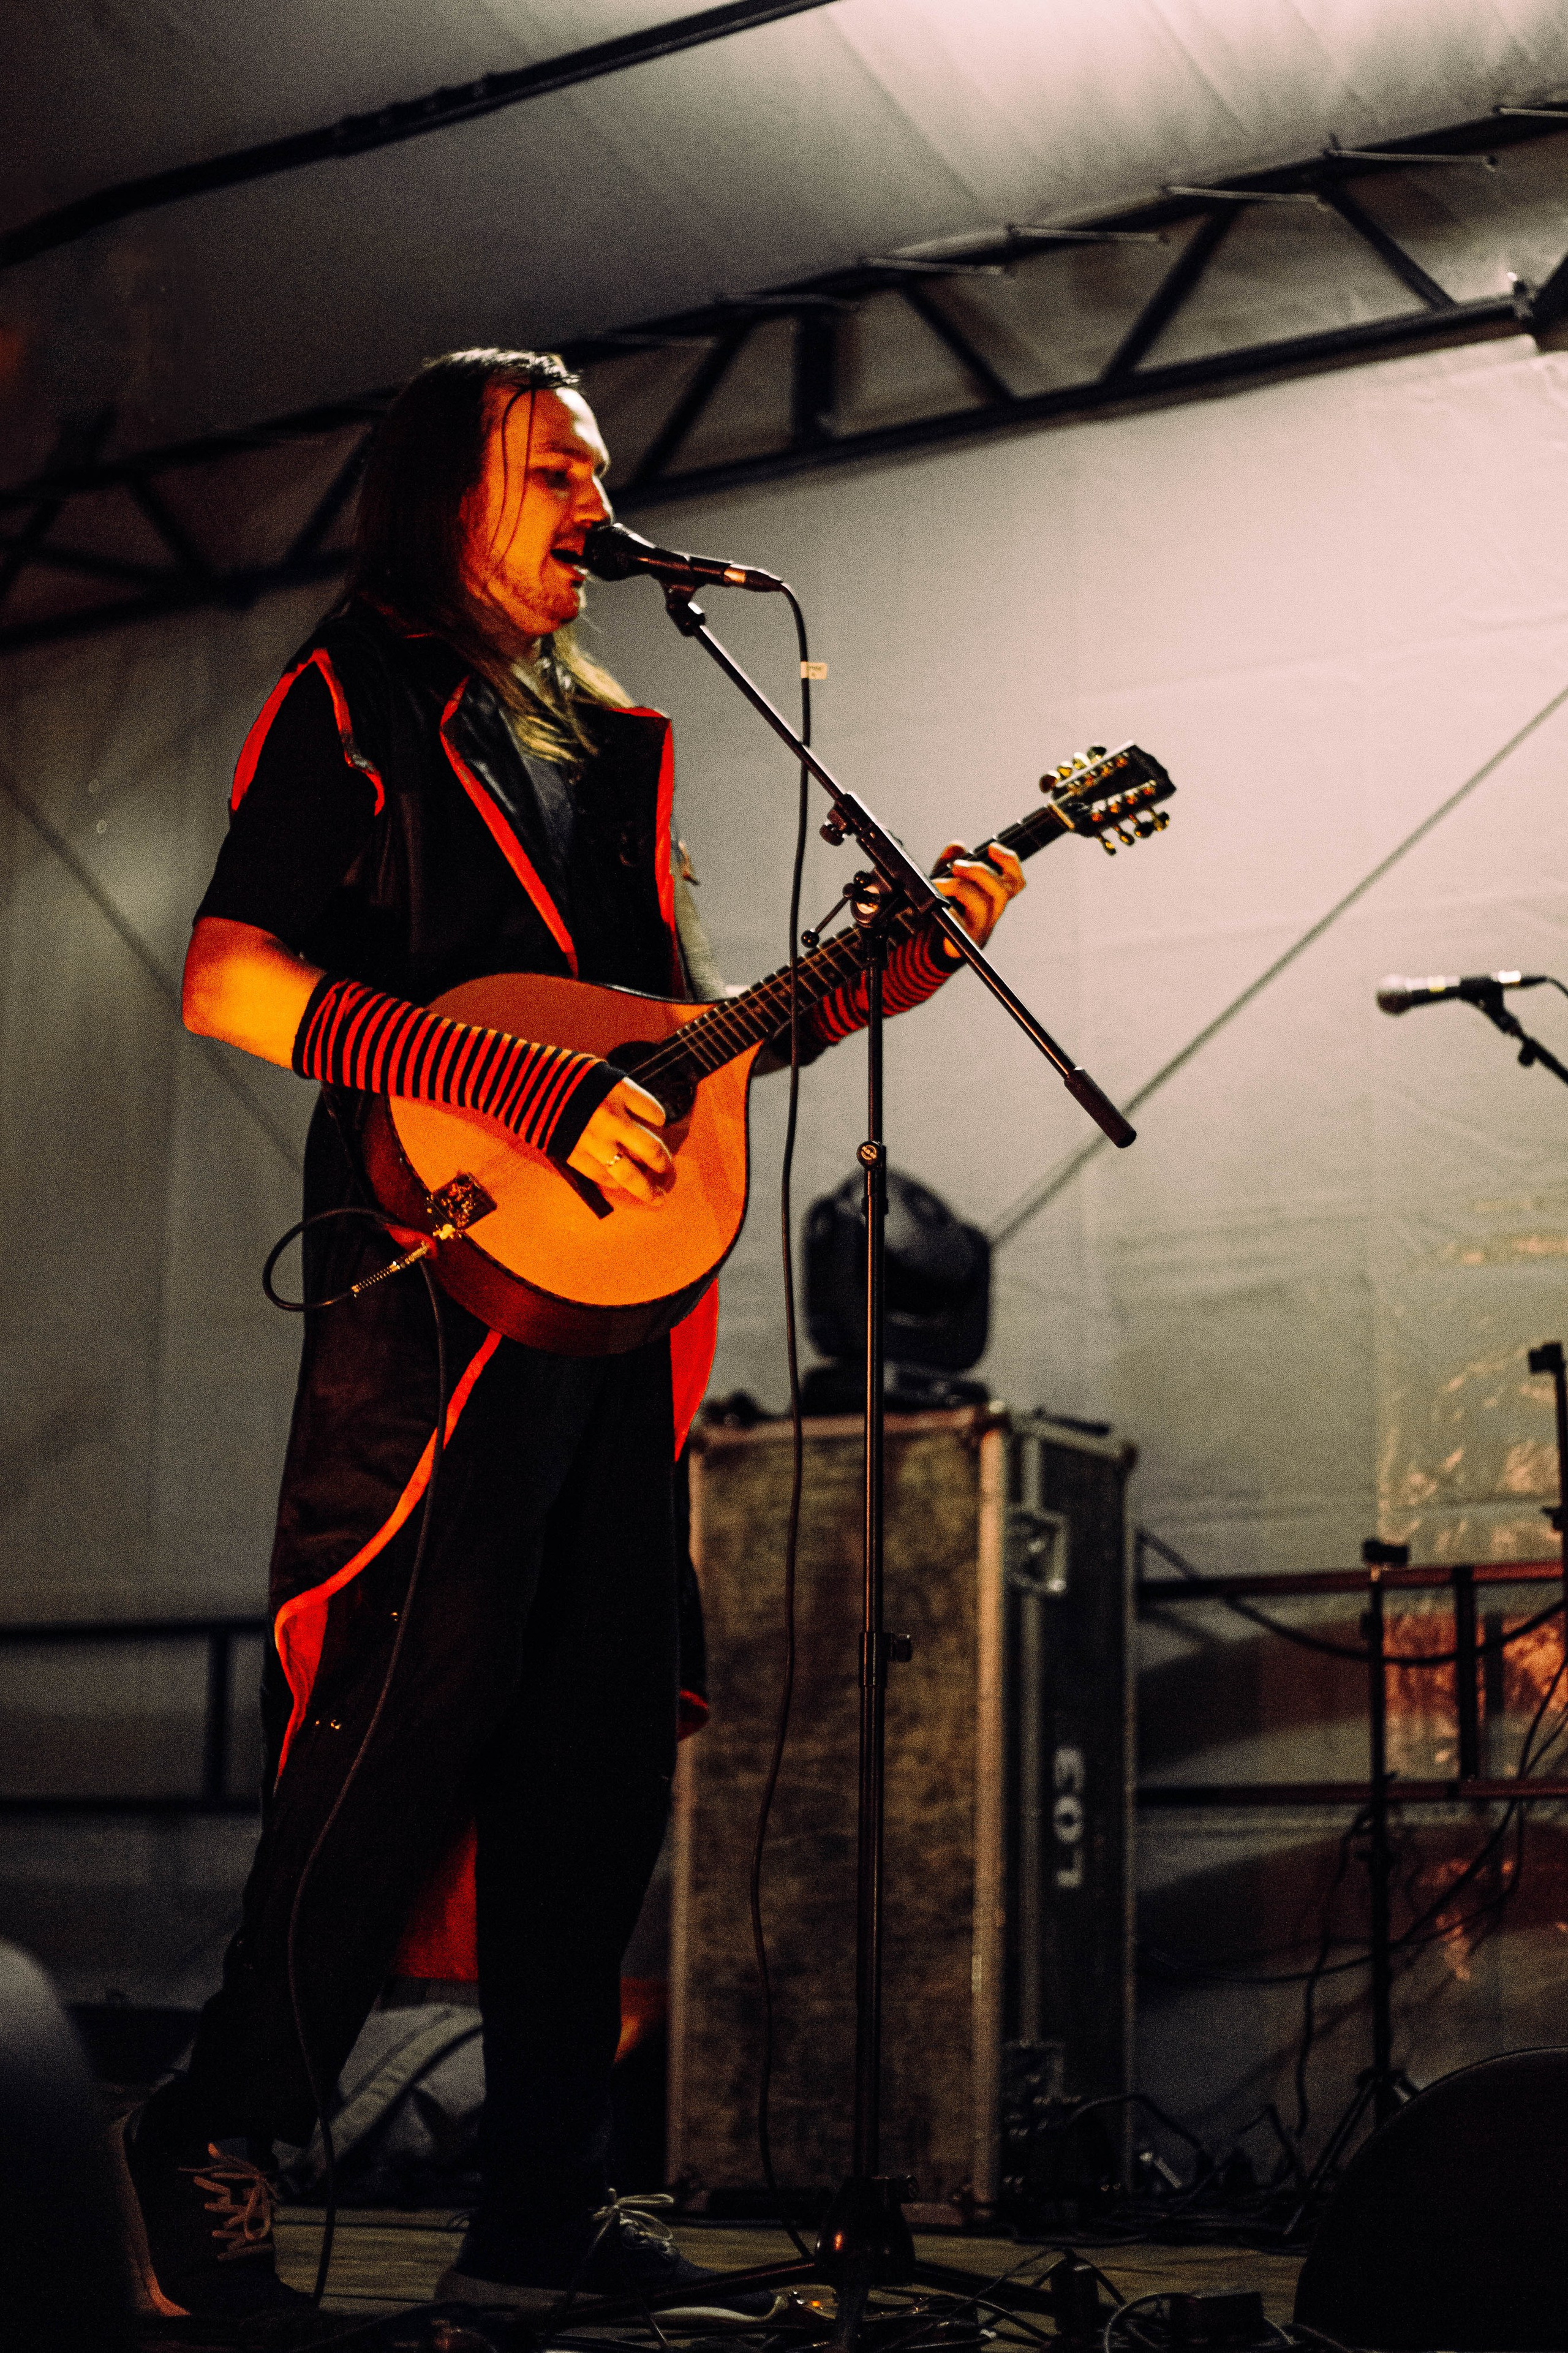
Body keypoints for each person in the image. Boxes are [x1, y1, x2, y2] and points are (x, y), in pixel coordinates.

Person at [119, 347, 1024, 2318]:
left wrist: (875, 979)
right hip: (434, 1289)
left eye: (604, 471)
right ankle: (207, 2125)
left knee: (596, 1747)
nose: (594, 504)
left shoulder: (625, 745)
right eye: (553, 467)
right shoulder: (352, 693)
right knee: (402, 1721)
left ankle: (540, 2198)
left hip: (614, 1312)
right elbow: (230, 976)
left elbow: (674, 1045)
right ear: (445, 492)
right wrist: (495, 1081)